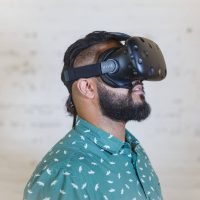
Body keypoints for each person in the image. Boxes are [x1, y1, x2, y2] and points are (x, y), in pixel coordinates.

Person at [24, 31, 163, 200]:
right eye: (122, 69)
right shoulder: (66, 173)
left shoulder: (132, 151)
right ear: (87, 88)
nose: (137, 80)